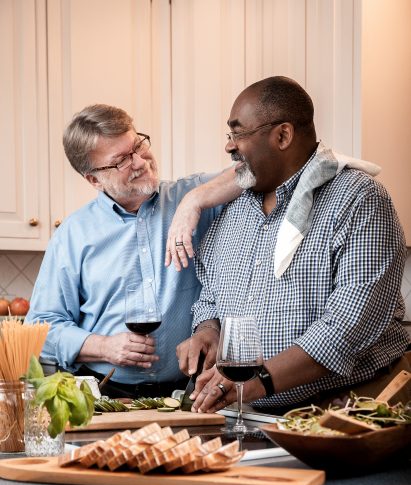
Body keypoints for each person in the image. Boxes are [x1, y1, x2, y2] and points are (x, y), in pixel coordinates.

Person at [170, 76, 410, 413]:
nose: (229, 146)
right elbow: (211, 293)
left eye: (239, 133)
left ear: (283, 135)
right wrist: (208, 329)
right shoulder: (232, 207)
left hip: (351, 408)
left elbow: (345, 329)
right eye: (230, 135)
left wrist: (260, 381)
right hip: (255, 414)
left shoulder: (359, 199)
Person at [25, 104, 241, 398]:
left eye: (138, 145)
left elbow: (253, 168)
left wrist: (193, 202)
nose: (140, 161)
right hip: (104, 395)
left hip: (186, 392)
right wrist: (103, 346)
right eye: (122, 160)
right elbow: (40, 327)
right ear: (94, 179)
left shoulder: (193, 196)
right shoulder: (72, 235)